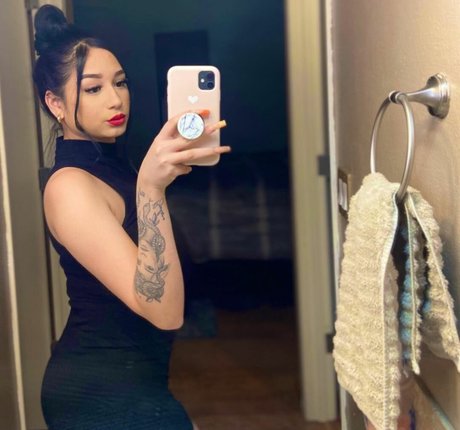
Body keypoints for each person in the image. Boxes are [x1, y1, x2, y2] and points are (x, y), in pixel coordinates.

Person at [32, 5, 230, 429]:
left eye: (120, 82)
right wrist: (151, 188)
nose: (115, 99)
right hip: (99, 392)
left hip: (140, 383)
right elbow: (164, 312)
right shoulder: (69, 186)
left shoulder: (114, 166)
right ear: (55, 103)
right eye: (93, 88)